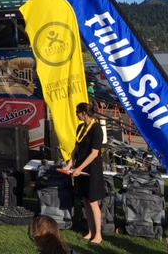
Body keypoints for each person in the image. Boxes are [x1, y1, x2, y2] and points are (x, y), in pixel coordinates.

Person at [64, 102, 106, 245]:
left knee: (93, 202)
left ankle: (98, 235)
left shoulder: (97, 129)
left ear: (84, 113)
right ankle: (90, 231)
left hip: (92, 168)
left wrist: (79, 168)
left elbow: (94, 153)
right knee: (85, 201)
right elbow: (76, 149)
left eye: (77, 112)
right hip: (80, 167)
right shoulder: (80, 128)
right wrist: (70, 164)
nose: (76, 115)